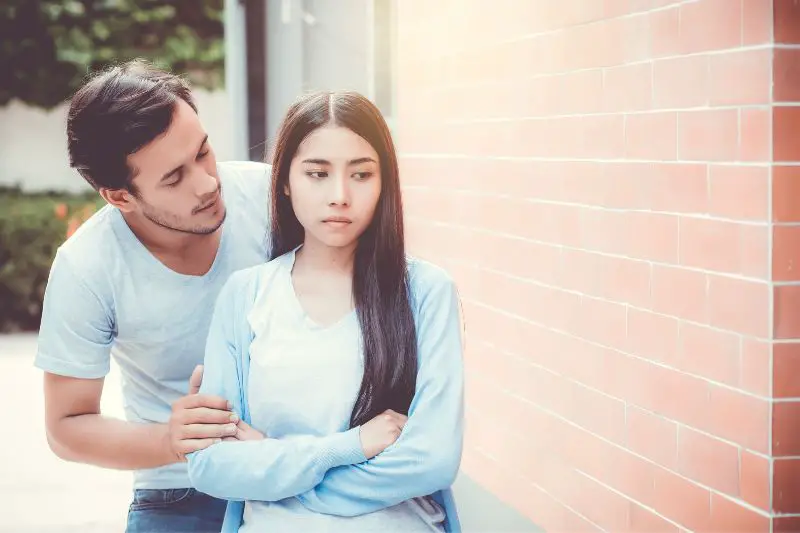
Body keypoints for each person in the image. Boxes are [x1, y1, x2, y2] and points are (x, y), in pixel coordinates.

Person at [186, 90, 465, 533]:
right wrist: (347, 447)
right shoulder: (246, 296)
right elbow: (212, 465)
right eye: (317, 173)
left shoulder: (426, 293)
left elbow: (431, 461)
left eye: (361, 175)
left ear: (384, 182)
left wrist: (281, 470)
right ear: (284, 181)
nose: (339, 196)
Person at [34, 59, 271, 533]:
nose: (207, 184)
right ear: (119, 197)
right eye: (173, 178)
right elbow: (66, 426)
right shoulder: (87, 266)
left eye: (203, 152)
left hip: (301, 464)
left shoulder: (270, 197)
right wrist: (172, 440)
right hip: (180, 490)